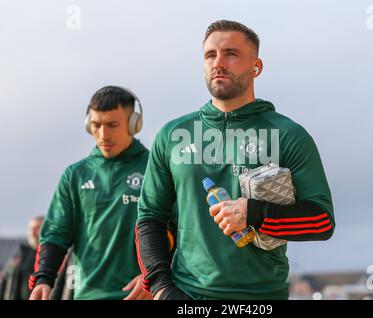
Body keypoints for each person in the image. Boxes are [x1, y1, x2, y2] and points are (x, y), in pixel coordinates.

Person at [136, 20, 335, 300]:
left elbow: (321, 221)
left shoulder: (289, 135)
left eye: (230, 54)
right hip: (186, 294)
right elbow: (150, 219)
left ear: (257, 67)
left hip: (261, 297)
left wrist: (254, 213)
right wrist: (159, 288)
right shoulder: (172, 135)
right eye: (210, 55)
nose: (218, 63)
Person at [29, 86, 174, 300]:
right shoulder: (75, 175)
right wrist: (43, 279)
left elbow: (181, 232)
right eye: (96, 125)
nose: (103, 134)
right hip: (87, 295)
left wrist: (154, 278)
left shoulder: (156, 168)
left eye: (112, 125)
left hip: (142, 293)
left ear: (134, 125)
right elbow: (55, 234)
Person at [0, 216, 44, 300]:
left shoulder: (52, 259)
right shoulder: (19, 255)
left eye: (37, 228)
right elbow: (4, 280)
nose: (32, 232)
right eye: (30, 228)